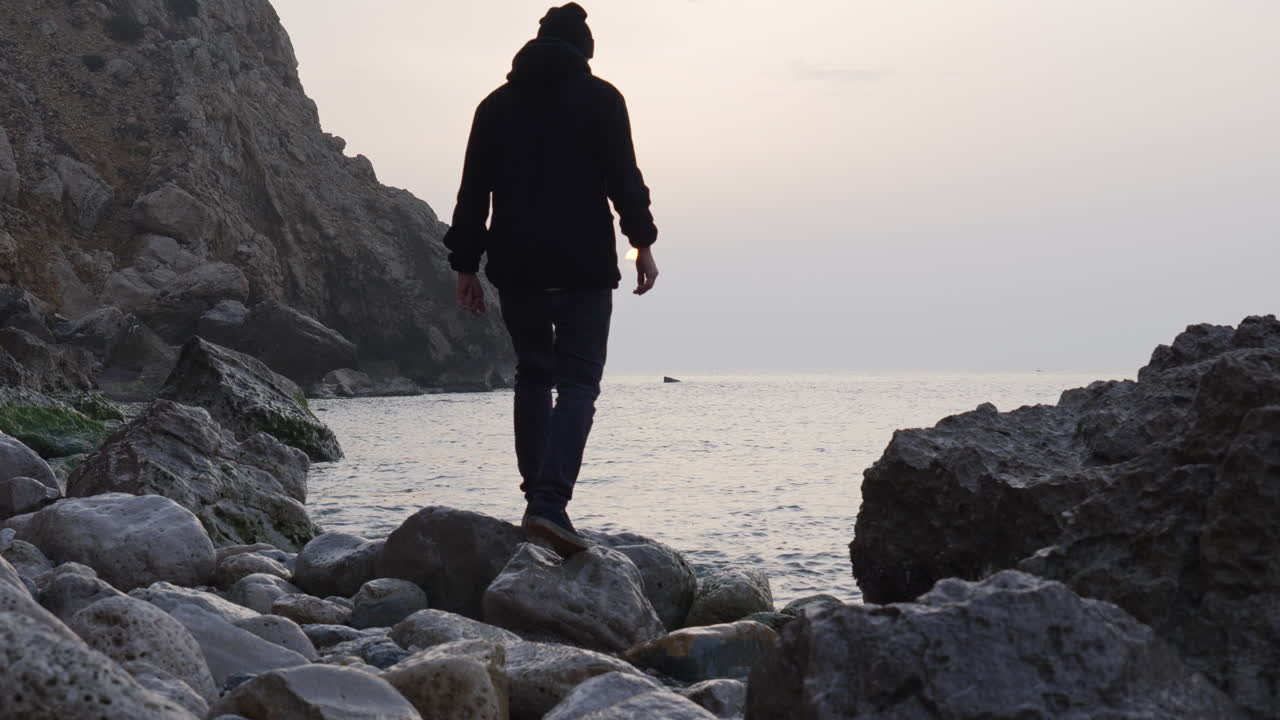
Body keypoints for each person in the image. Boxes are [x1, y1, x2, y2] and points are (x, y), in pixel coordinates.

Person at [442, 3, 659, 555]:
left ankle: (536, 501)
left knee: (534, 376)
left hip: (519, 268)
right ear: (584, 52)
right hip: (584, 266)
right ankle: (548, 505)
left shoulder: (494, 106)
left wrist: (465, 266)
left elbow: (473, 193)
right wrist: (642, 245)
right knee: (579, 383)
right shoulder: (603, 99)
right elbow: (625, 180)